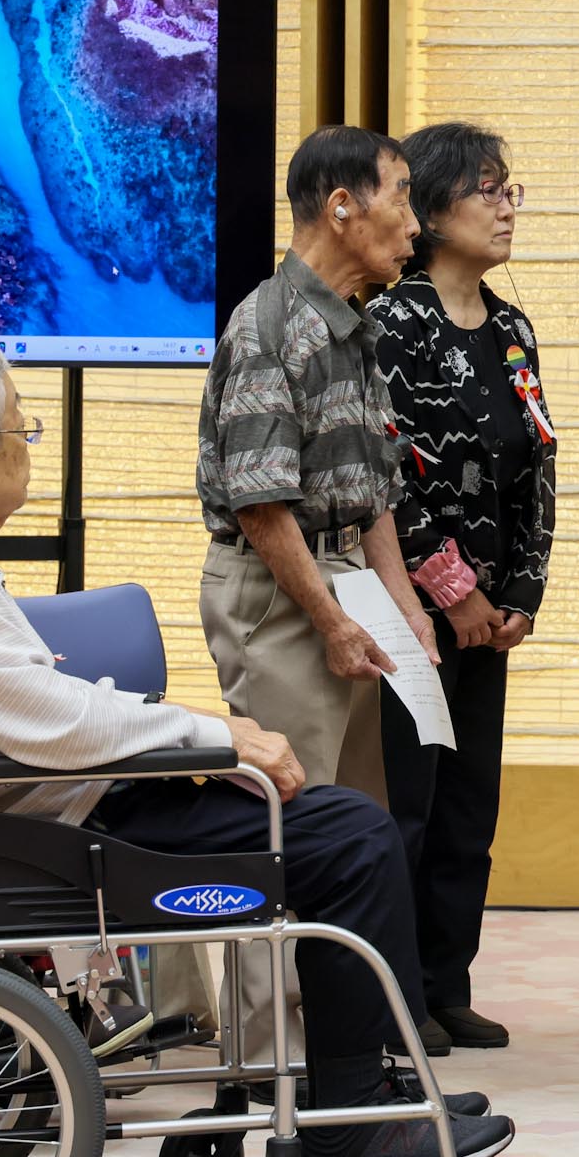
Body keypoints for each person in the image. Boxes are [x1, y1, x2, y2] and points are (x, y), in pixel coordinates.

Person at [0, 330, 512, 1157]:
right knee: (350, 836)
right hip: (51, 828)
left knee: (330, 818)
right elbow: (43, 720)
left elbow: (32, 711)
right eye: (21, 428)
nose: (27, 444)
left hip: (38, 810)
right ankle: (352, 1121)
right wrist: (215, 736)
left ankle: (375, 1093)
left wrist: (197, 735)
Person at [368, 122, 556, 1056]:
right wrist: (454, 595)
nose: (507, 205)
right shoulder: (390, 322)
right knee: (409, 804)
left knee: (469, 807)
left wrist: (520, 595)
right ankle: (394, 999)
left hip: (492, 621)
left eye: (511, 188)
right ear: (435, 207)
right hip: (413, 613)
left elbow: (540, 468)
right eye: (489, 190)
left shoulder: (513, 328)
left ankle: (449, 984)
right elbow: (389, 480)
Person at [197, 124, 440, 803]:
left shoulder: (350, 325)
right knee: (295, 813)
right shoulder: (266, 327)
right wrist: (331, 622)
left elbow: (374, 490)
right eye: (401, 198)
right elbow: (260, 505)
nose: (415, 226)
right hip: (281, 594)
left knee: (356, 814)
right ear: (341, 207)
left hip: (346, 584)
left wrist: (404, 604)